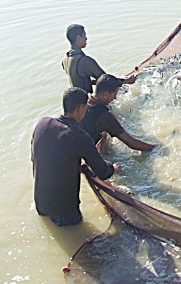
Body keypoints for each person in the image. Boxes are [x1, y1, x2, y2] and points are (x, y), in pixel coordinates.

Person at [31, 87, 122, 227]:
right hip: (65, 212)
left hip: (40, 203)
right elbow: (102, 171)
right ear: (80, 108)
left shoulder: (42, 124)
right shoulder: (79, 137)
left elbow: (40, 157)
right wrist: (114, 168)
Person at [79, 74, 155, 152]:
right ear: (105, 94)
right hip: (92, 154)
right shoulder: (104, 116)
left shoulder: (83, 102)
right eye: (114, 94)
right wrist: (156, 148)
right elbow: (132, 143)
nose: (115, 98)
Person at [62, 24, 137, 93]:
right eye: (84, 35)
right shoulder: (84, 61)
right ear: (78, 38)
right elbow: (107, 80)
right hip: (86, 103)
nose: (86, 38)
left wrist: (92, 82)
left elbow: (77, 79)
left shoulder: (66, 59)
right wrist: (127, 81)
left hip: (76, 102)